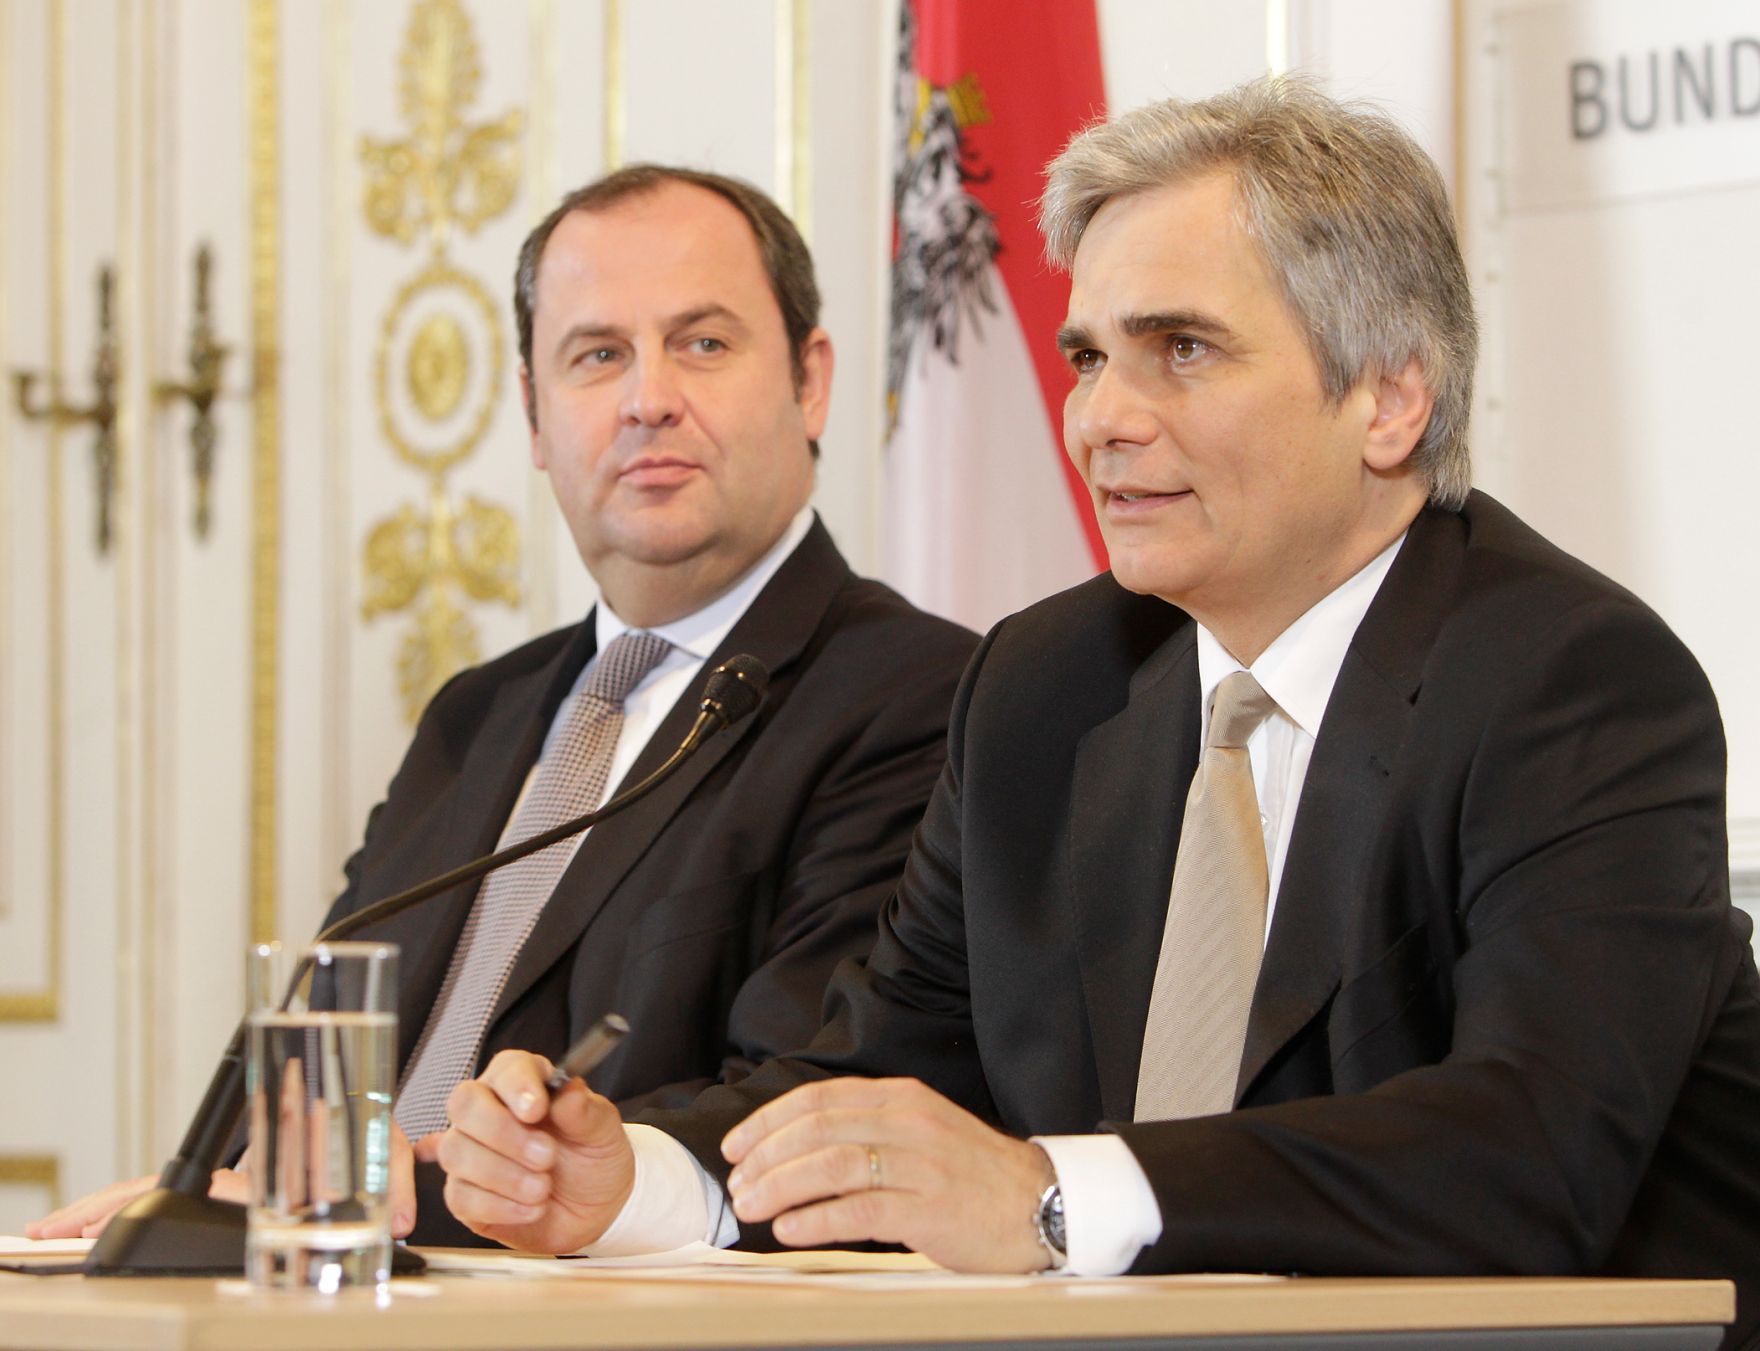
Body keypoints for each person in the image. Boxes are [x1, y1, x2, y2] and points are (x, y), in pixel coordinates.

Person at [428, 79, 1760, 1346]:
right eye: (1088, 357)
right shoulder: (1042, 685)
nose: (1103, 420)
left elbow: (1527, 1149)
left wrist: (1044, 1195)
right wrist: (638, 1179)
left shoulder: (1571, 677)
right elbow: (885, 1071)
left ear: (1389, 396)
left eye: (1181, 350)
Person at [31, 165, 977, 1247]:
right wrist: (232, 1190)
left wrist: (361, 1201)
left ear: (810, 382)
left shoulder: (921, 696)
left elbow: (811, 1097)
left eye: (703, 343)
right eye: (596, 355)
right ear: (533, 415)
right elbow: (332, 1049)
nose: (647, 397)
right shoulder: (474, 716)